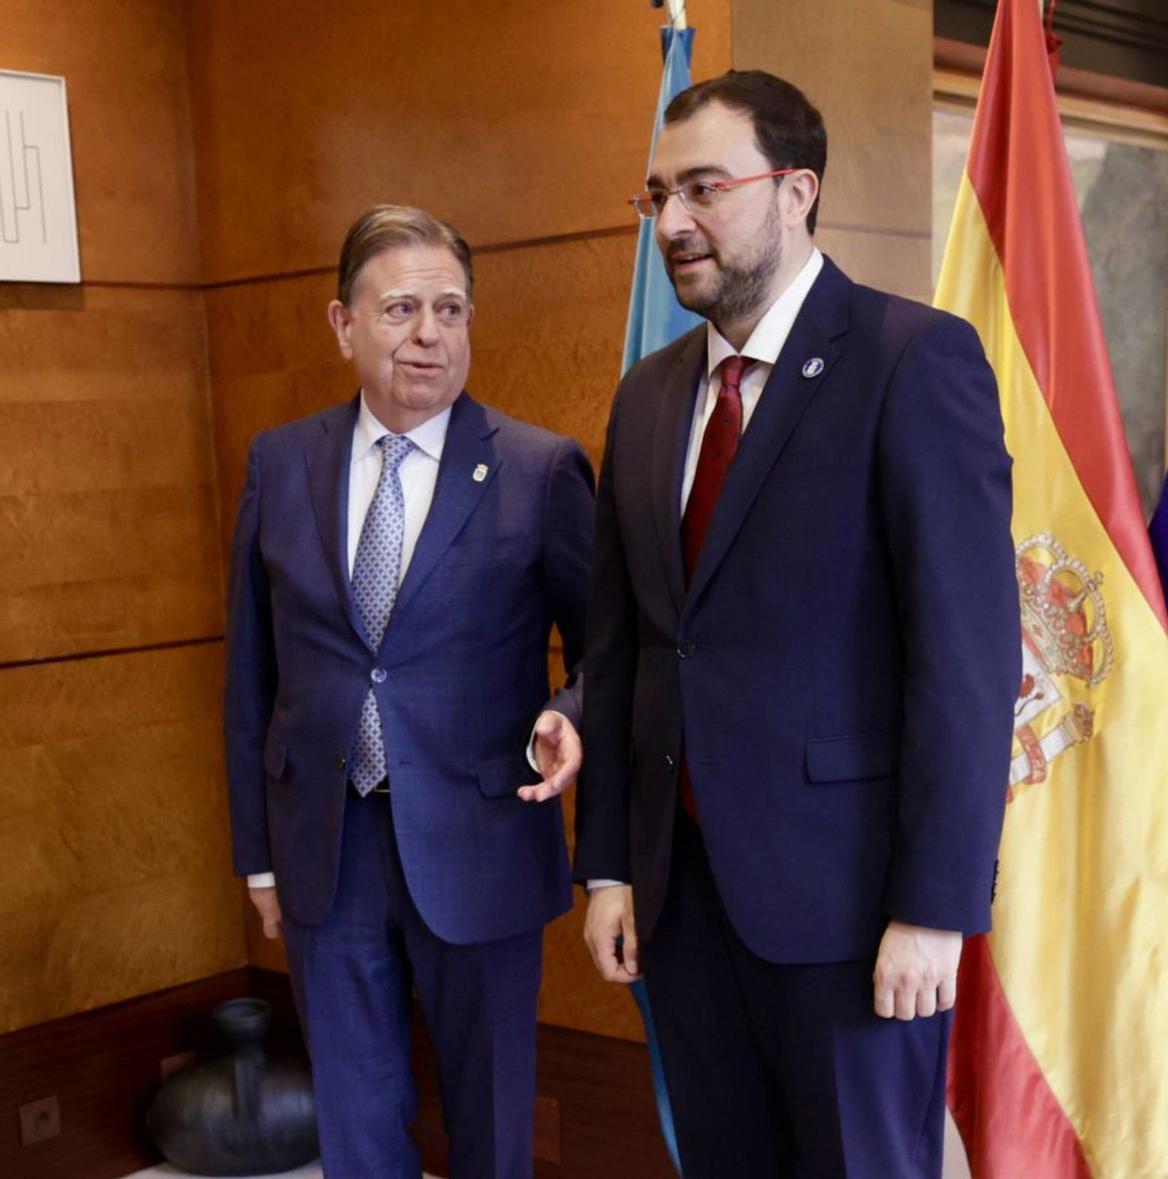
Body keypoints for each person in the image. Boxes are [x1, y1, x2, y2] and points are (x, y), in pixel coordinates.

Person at [575, 71, 1021, 1177]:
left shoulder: (913, 361)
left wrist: (935, 908)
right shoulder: (646, 396)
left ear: (796, 190)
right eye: (657, 195)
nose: (673, 222)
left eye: (703, 189)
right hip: (681, 907)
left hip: (852, 914)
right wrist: (610, 869)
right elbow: (623, 647)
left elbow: (965, 664)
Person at [223, 205, 593, 1179]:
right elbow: (250, 674)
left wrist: (571, 714)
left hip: (482, 839)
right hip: (325, 850)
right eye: (400, 310)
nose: (429, 333)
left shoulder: (536, 469)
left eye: (450, 309)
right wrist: (257, 856)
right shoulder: (280, 463)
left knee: (492, 1120)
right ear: (342, 325)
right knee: (356, 1119)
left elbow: (614, 653)